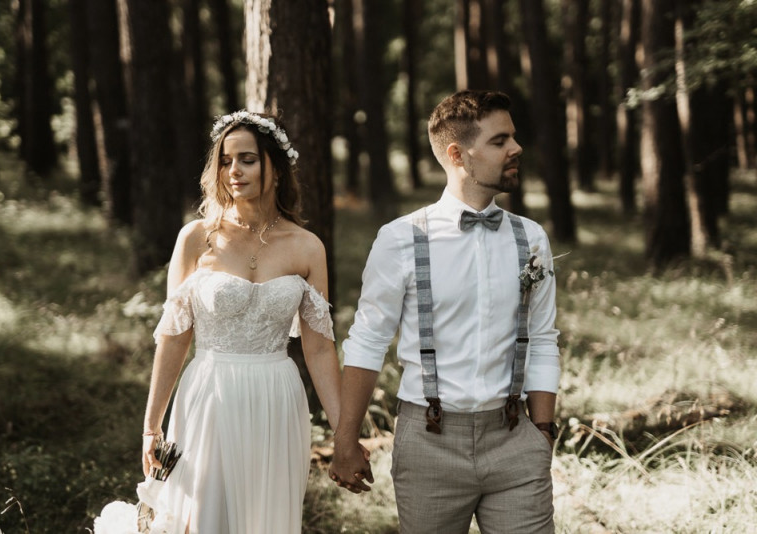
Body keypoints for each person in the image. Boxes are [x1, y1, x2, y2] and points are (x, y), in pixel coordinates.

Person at [330, 90, 561, 533]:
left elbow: (544, 336)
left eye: (513, 137)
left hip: (514, 438)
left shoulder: (531, 239)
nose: (516, 148)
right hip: (428, 442)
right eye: (500, 141)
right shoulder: (401, 238)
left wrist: (543, 433)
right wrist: (345, 439)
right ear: (458, 154)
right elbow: (367, 341)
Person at [140, 110, 342, 533]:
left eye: (247, 159)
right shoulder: (197, 238)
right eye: (226, 161)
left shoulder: (307, 246)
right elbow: (175, 338)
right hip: (209, 395)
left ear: (277, 166)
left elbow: (319, 346)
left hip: (277, 398)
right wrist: (151, 426)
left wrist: (343, 430)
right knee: (201, 515)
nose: (234, 171)